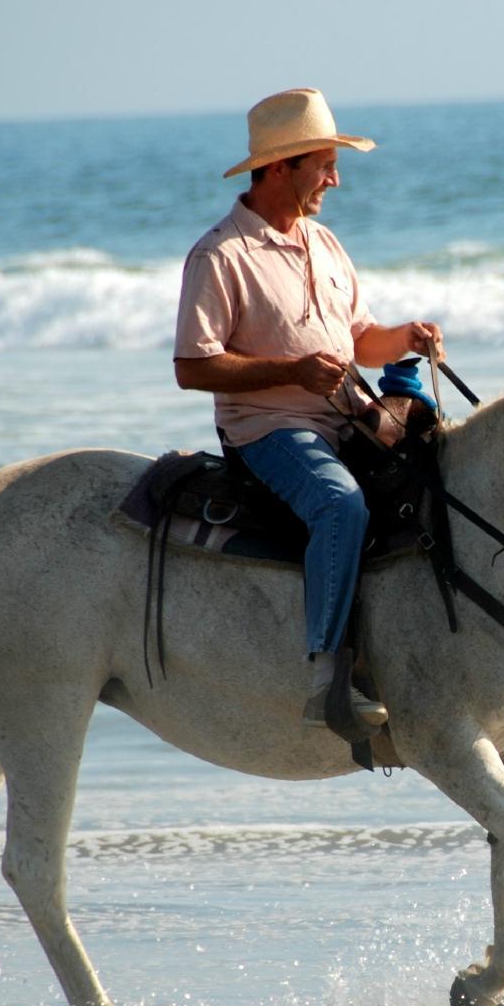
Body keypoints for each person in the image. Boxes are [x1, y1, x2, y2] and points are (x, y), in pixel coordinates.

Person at [173, 88, 442, 733]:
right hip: (268, 429)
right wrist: (289, 371)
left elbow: (360, 340)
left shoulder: (325, 243)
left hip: (344, 416)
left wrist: (403, 338)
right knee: (338, 504)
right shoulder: (219, 256)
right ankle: (325, 677)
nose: (335, 179)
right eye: (324, 164)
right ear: (278, 168)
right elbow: (192, 366)